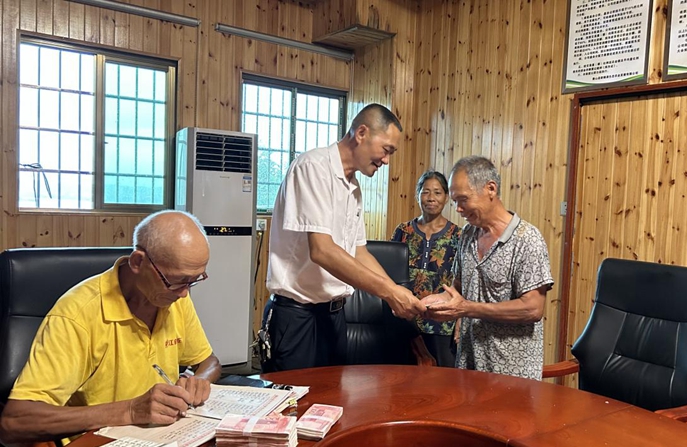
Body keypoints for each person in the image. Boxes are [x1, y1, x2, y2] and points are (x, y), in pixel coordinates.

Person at [0, 210, 221, 444]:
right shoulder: (77, 314)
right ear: (138, 262)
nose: (185, 292)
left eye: (194, 280)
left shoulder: (173, 297)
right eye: (176, 281)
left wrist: (200, 380)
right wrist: (131, 411)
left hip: (162, 436)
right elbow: (14, 422)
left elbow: (209, 361)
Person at [263, 103, 425, 372]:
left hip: (334, 315)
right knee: (292, 406)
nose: (387, 161)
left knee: (330, 404)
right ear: (361, 133)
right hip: (298, 314)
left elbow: (359, 252)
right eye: (386, 150)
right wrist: (389, 292)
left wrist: (397, 292)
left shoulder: (353, 187)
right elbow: (322, 251)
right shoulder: (313, 167)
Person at [422, 156, 554, 380]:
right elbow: (457, 291)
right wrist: (422, 304)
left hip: (512, 376)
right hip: (469, 368)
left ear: (490, 189)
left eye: (463, 199)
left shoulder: (527, 240)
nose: (458, 209)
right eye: (454, 201)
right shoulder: (467, 235)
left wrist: (468, 309)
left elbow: (532, 309)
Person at [391, 170, 461, 367]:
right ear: (418, 194)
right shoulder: (403, 231)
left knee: (442, 383)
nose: (431, 198)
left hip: (442, 322)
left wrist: (461, 317)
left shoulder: (458, 235)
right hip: (406, 319)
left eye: (438, 193)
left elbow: (464, 280)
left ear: (447, 197)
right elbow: (390, 270)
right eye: (426, 192)